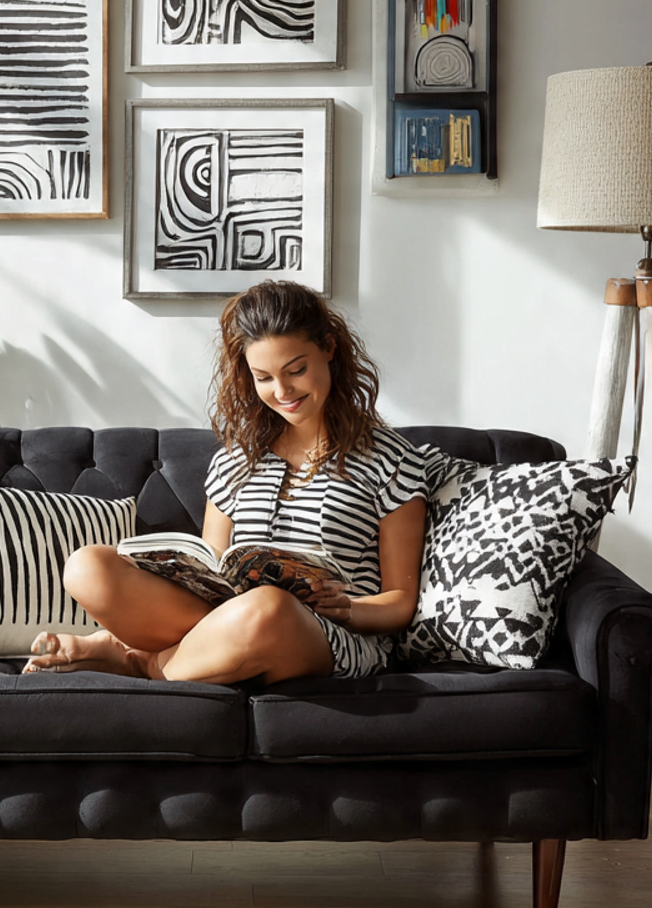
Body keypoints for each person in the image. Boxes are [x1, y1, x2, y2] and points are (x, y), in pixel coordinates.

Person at [23, 279, 428, 684]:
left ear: (329, 347)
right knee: (87, 566)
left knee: (268, 607)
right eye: (263, 377)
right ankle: (163, 653)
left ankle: (140, 662)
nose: (282, 390)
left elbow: (400, 602)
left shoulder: (390, 460)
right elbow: (211, 570)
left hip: (332, 636)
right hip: (232, 619)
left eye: (296, 370)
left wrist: (349, 608)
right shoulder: (235, 461)